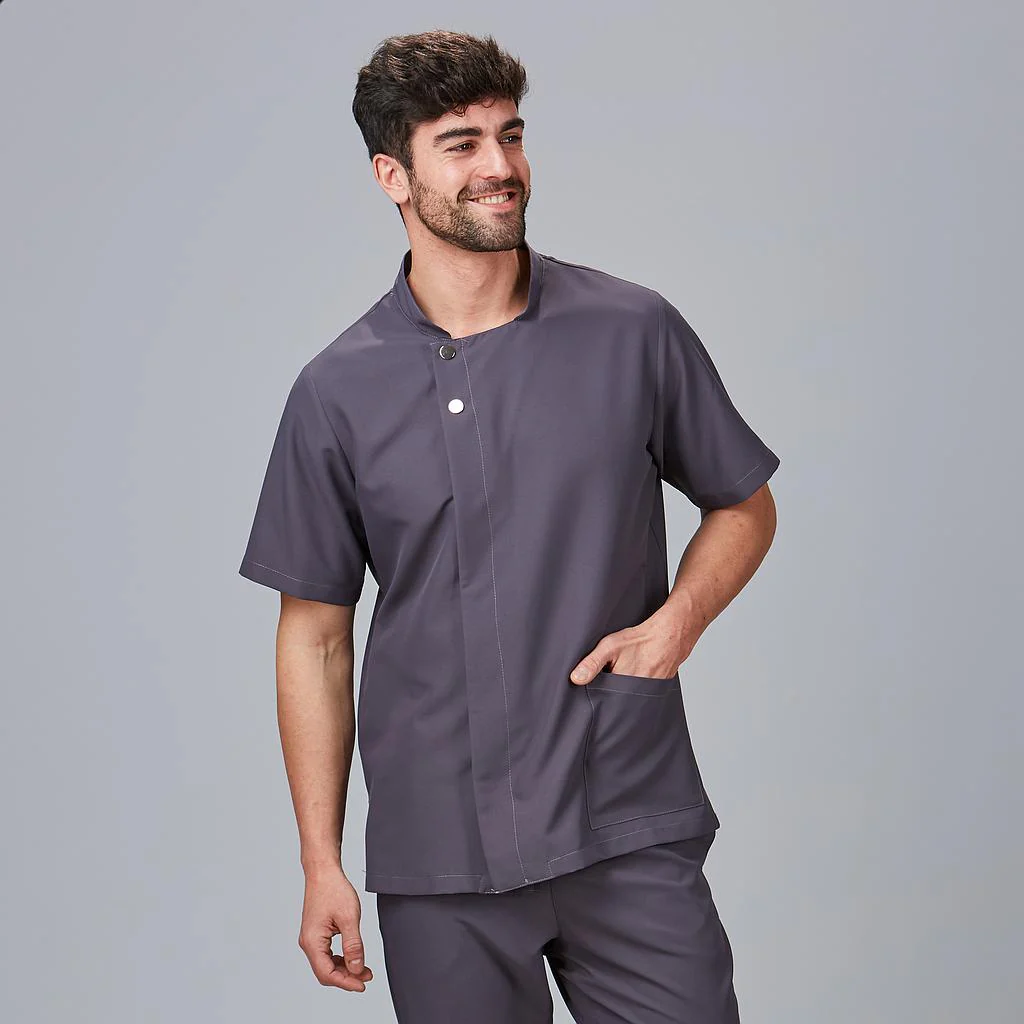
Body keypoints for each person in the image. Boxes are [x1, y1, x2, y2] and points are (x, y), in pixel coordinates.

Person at [238, 28, 780, 1024]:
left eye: (511, 135)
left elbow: (742, 502)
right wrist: (320, 860)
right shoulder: (335, 392)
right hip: (438, 852)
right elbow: (314, 638)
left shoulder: (631, 329)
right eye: (462, 144)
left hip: (622, 813)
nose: (500, 165)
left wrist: (676, 625)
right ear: (392, 177)